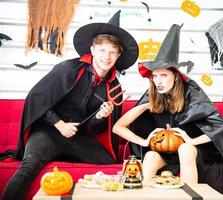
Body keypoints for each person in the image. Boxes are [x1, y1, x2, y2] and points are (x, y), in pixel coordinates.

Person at [1, 10, 138, 200]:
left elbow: (95, 130)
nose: (107, 57)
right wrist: (59, 124)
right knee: (28, 166)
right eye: (102, 50)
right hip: (47, 132)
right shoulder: (68, 69)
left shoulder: (113, 86)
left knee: (107, 162)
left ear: (118, 56)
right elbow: (36, 98)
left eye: (112, 52)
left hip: (77, 139)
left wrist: (100, 117)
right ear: (92, 50)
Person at [113, 24, 223, 199]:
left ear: (175, 76)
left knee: (184, 148)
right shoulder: (153, 94)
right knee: (151, 157)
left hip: (194, 151)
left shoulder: (192, 92)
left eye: (163, 75)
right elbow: (118, 127)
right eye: (155, 76)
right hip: (166, 152)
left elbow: (221, 128)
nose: (158, 81)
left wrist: (190, 140)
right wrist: (145, 141)